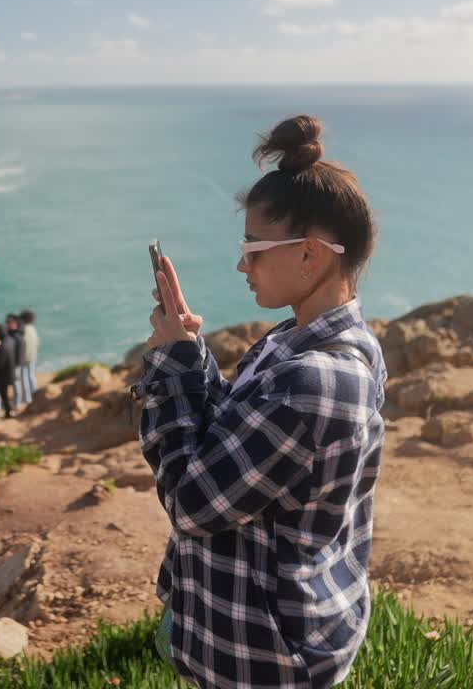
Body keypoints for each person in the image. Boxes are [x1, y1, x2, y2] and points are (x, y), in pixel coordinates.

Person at [136, 115, 385, 688]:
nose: (242, 263)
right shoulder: (295, 343)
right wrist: (189, 349)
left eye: (254, 248)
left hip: (267, 660)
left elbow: (192, 500)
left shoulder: (316, 381)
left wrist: (169, 371)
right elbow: (235, 432)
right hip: (247, 635)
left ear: (311, 256)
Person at [4, 314, 27, 409]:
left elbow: (18, 352)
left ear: (15, 325)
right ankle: (18, 401)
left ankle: (17, 403)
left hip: (16, 364)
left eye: (10, 323)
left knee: (16, 384)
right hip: (17, 363)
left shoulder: (16, 337)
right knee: (17, 383)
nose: (7, 325)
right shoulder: (17, 335)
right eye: (7, 323)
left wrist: (15, 364)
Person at [17, 310, 39, 405]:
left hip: (24, 357)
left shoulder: (23, 330)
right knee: (31, 376)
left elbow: (21, 344)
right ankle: (35, 395)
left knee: (23, 378)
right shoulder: (33, 329)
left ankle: (26, 398)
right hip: (32, 356)